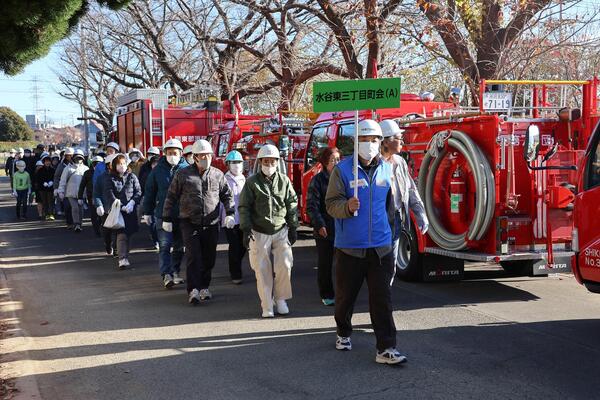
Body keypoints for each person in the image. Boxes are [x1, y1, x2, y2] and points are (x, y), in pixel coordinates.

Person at [325, 119, 406, 365]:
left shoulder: (386, 169)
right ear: (355, 141)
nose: (369, 145)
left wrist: (392, 235)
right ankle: (343, 331)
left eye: (374, 140)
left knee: (382, 298)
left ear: (380, 142)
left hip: (380, 248)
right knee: (345, 297)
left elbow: (390, 206)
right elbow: (330, 205)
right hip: (350, 247)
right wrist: (347, 207)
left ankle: (386, 347)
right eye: (364, 139)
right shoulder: (342, 170)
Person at [162, 139, 235, 304]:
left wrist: (230, 213)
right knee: (194, 256)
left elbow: (227, 195)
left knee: (209, 257)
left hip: (211, 223)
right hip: (189, 222)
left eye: (208, 155)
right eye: (202, 156)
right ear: (194, 157)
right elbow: (171, 196)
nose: (206, 158)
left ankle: (204, 287)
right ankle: (193, 289)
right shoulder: (183, 174)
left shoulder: (218, 174)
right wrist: (166, 217)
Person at [238, 144, 298, 318]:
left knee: (285, 265)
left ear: (277, 163)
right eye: (266, 161)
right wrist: (245, 228)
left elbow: (292, 204)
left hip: (280, 229)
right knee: (262, 269)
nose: (269, 164)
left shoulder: (284, 181)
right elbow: (244, 207)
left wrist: (293, 226)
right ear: (260, 162)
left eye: (272, 161)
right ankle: (266, 304)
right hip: (259, 231)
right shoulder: (251, 183)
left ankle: (281, 299)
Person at [379, 120, 428, 271]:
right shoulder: (373, 164)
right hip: (379, 220)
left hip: (396, 219)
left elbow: (410, 189)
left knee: (391, 264)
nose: (402, 141)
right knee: (379, 263)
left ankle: (385, 289)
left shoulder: (400, 162)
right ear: (386, 142)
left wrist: (421, 214)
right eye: (399, 137)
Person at [143, 139, 188, 289]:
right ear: (164, 154)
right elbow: (149, 192)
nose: (172, 156)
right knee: (165, 245)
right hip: (162, 214)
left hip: (183, 216)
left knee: (179, 247)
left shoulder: (187, 169)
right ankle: (166, 274)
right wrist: (147, 211)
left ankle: (175, 271)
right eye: (169, 153)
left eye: (175, 153)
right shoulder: (157, 170)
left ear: (181, 153)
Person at [306, 147, 340, 306]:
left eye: (338, 159)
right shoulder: (318, 180)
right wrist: (319, 225)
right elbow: (311, 206)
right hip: (325, 228)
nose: (336, 163)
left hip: (342, 228)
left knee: (344, 264)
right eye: (333, 160)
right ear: (325, 162)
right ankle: (327, 294)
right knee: (325, 264)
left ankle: (343, 294)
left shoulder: (343, 178)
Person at [103, 153, 142, 269]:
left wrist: (133, 202)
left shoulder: (132, 177)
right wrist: (120, 205)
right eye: (119, 164)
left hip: (131, 210)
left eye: (124, 163)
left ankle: (125, 255)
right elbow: (109, 194)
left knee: (129, 234)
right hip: (118, 210)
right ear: (114, 166)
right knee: (121, 235)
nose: (122, 166)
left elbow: (138, 191)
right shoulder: (110, 178)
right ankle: (122, 258)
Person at [221, 150, 247, 284]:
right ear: (228, 165)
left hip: (242, 219)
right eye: (233, 163)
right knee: (234, 246)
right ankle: (235, 273)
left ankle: (236, 265)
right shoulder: (223, 179)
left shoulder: (244, 179)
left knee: (244, 245)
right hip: (229, 219)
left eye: (239, 162)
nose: (236, 165)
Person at [58, 149, 89, 232]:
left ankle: (80, 223)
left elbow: (89, 182)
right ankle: (76, 224)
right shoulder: (68, 169)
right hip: (71, 193)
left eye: (80, 158)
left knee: (81, 209)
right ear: (73, 158)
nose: (78, 160)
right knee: (75, 208)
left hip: (82, 194)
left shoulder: (86, 169)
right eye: (77, 158)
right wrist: (61, 191)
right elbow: (63, 180)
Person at [95, 154, 118, 255]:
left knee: (119, 229)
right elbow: (96, 193)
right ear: (109, 165)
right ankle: (108, 244)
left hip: (119, 207)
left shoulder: (121, 176)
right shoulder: (101, 178)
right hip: (106, 208)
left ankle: (117, 249)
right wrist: (99, 205)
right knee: (107, 230)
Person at [78, 155, 104, 236]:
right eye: (95, 163)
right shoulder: (87, 173)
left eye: (98, 163)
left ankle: (101, 227)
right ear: (92, 164)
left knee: (102, 213)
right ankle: (96, 230)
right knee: (94, 214)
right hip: (91, 196)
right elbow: (82, 186)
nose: (96, 165)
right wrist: (80, 197)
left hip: (103, 196)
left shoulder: (105, 172)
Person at [54, 148, 74, 223]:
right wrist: (56, 188)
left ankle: (74, 220)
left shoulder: (76, 164)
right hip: (64, 187)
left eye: (71, 155)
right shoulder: (61, 165)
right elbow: (56, 177)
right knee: (67, 205)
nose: (70, 157)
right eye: (68, 155)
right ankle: (68, 220)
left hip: (73, 187)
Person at [36, 154, 56, 221]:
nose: (47, 162)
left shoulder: (53, 170)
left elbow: (55, 178)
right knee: (44, 202)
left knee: (51, 201)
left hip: (50, 189)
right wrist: (43, 183)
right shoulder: (40, 170)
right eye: (46, 161)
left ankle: (51, 214)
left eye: (49, 161)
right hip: (42, 189)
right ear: (44, 162)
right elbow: (38, 179)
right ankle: (46, 214)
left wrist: (52, 182)